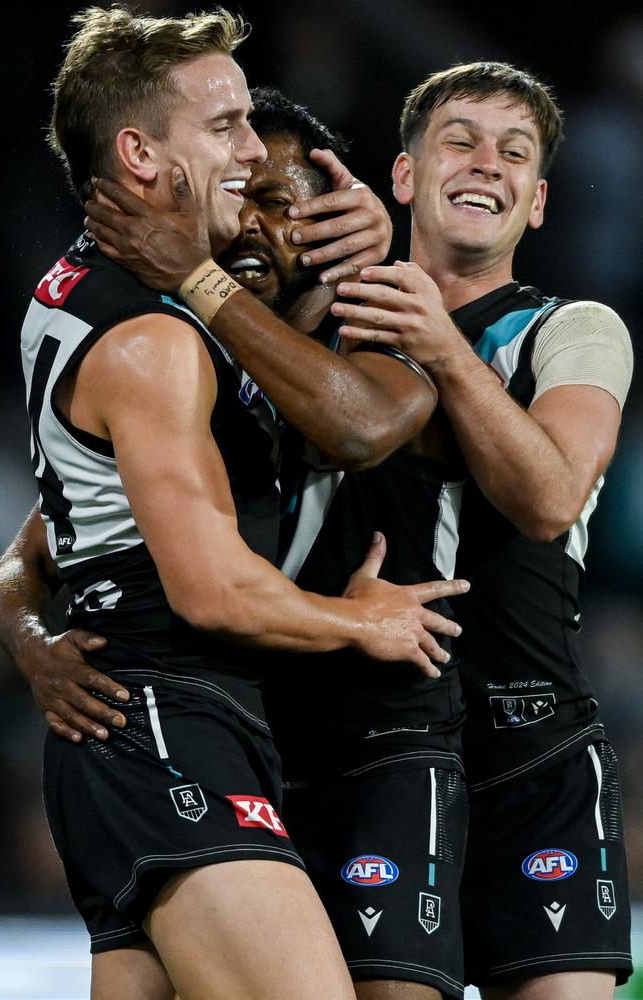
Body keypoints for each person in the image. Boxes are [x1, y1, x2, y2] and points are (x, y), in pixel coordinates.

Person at [8, 9, 470, 998]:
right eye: (223, 128)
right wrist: (363, 620)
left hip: (151, 727)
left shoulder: (102, 293)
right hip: (165, 715)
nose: (250, 148)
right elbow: (211, 590)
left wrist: (21, 622)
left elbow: (357, 415)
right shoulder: (155, 342)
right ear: (138, 151)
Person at [329, 62, 633, 999]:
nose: (486, 164)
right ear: (406, 176)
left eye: (514, 153)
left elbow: (546, 499)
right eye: (458, 140)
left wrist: (441, 347)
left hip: (535, 747)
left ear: (536, 203)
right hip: (371, 741)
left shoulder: (575, 331)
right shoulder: (323, 324)